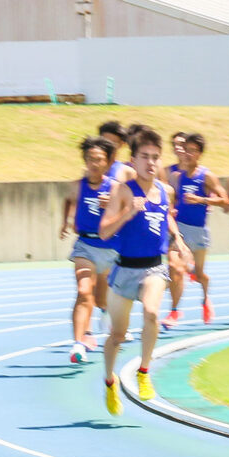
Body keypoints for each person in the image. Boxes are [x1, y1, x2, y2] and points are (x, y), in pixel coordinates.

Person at [99, 128, 189, 415]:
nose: (150, 163)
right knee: (117, 335)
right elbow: (103, 232)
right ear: (133, 161)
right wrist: (128, 213)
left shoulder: (167, 191)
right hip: (125, 270)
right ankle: (110, 380)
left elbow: (166, 220)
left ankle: (144, 371)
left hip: (154, 265)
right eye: (144, 157)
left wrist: (179, 239)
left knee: (151, 313)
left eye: (155, 157)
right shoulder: (123, 191)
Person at [59, 136, 120, 363]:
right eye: (90, 159)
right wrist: (65, 222)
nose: (94, 163)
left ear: (107, 163)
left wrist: (112, 205)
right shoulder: (77, 186)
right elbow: (68, 200)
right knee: (84, 292)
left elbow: (127, 214)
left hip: (110, 248)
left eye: (99, 160)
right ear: (85, 160)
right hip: (85, 246)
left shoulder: (115, 188)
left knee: (101, 299)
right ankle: (78, 343)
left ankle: (105, 313)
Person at [162, 132, 229, 328]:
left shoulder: (206, 176)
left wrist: (202, 200)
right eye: (186, 150)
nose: (188, 154)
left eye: (193, 151)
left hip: (198, 231)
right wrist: (171, 207)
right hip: (179, 229)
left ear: (199, 154)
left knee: (198, 275)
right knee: (175, 267)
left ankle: (206, 298)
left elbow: (225, 200)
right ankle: (174, 311)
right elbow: (170, 199)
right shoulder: (175, 176)